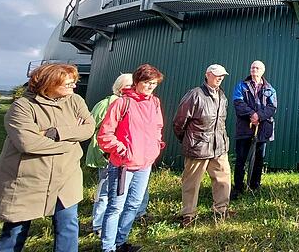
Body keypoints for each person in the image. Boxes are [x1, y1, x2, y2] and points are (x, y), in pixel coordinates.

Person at [0, 63, 95, 252]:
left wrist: (54, 132)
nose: (74, 87)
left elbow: (88, 128)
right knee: (16, 230)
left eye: (74, 82)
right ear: (49, 83)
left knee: (68, 224)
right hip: (28, 178)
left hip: (66, 176)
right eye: (68, 83)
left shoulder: (75, 101)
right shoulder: (22, 107)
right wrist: (70, 142)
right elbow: (27, 143)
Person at [98, 64, 166, 252]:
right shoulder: (121, 103)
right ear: (137, 82)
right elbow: (105, 134)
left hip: (145, 163)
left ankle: (121, 242)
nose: (151, 86)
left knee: (134, 204)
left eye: (154, 83)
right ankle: (108, 247)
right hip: (123, 165)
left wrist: (156, 146)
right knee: (115, 207)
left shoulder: (154, 103)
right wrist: (121, 149)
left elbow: (158, 127)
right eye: (147, 82)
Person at [173, 64, 232, 228]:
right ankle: (188, 214)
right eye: (217, 75)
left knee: (223, 179)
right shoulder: (194, 94)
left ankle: (221, 210)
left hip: (219, 146)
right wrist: (188, 141)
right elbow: (179, 122)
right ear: (207, 75)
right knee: (191, 182)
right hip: (197, 148)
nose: (220, 78)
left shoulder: (222, 96)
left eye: (222, 76)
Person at [85, 73, 133, 237]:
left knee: (121, 190)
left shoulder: (134, 104)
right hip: (107, 154)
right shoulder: (106, 104)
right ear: (121, 88)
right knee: (105, 190)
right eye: (130, 86)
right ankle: (98, 224)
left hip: (126, 156)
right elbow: (90, 127)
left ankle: (116, 222)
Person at [231, 60, 277, 199]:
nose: (254, 70)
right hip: (245, 128)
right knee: (241, 159)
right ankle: (238, 187)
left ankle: (254, 186)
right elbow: (238, 103)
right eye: (252, 67)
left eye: (257, 68)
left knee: (258, 159)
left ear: (262, 71)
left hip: (262, 129)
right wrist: (252, 115)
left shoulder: (270, 89)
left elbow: (272, 107)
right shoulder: (241, 86)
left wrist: (259, 116)